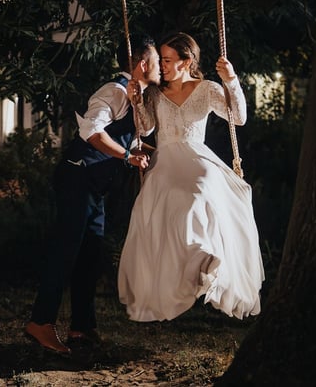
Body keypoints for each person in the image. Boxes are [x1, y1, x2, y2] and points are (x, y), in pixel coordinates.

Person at [24, 33, 160, 354]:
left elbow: (136, 135)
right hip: (78, 176)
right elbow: (91, 132)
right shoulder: (114, 91)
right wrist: (126, 156)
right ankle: (40, 322)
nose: (161, 68)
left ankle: (81, 327)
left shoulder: (133, 96)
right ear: (143, 64)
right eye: (157, 61)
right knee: (66, 251)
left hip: (94, 184)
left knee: (91, 253)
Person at [118, 32, 264, 322]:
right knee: (169, 198)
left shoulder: (207, 88)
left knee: (199, 193)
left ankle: (204, 256)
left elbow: (238, 117)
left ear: (186, 62)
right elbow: (145, 129)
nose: (161, 65)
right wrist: (137, 102)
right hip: (166, 160)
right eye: (161, 60)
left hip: (197, 158)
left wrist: (231, 81)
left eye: (167, 60)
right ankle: (189, 266)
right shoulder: (155, 93)